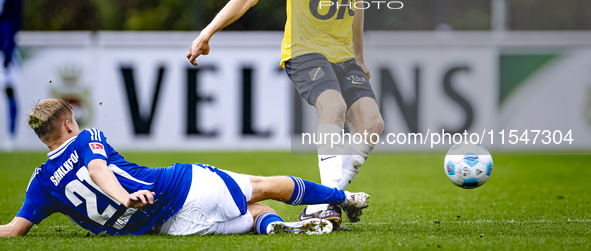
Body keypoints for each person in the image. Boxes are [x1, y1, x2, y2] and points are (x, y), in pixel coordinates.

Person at [186, 0, 384, 229]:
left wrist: (360, 55)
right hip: (304, 50)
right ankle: (326, 200)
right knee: (334, 106)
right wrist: (208, 31)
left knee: (372, 124)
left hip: (342, 55)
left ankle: (327, 198)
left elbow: (356, 3)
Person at [0, 99, 370, 237]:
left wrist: (128, 206)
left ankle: (277, 227)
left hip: (169, 228)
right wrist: (126, 197)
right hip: (180, 187)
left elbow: (14, 231)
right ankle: (345, 197)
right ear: (67, 125)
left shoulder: (41, 181)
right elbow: (97, 169)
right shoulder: (85, 138)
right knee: (264, 185)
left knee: (258, 210)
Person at [0, 0, 22, 151]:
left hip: (5, 49)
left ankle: (11, 137)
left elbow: (16, 18)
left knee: (9, 90)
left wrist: (8, 44)